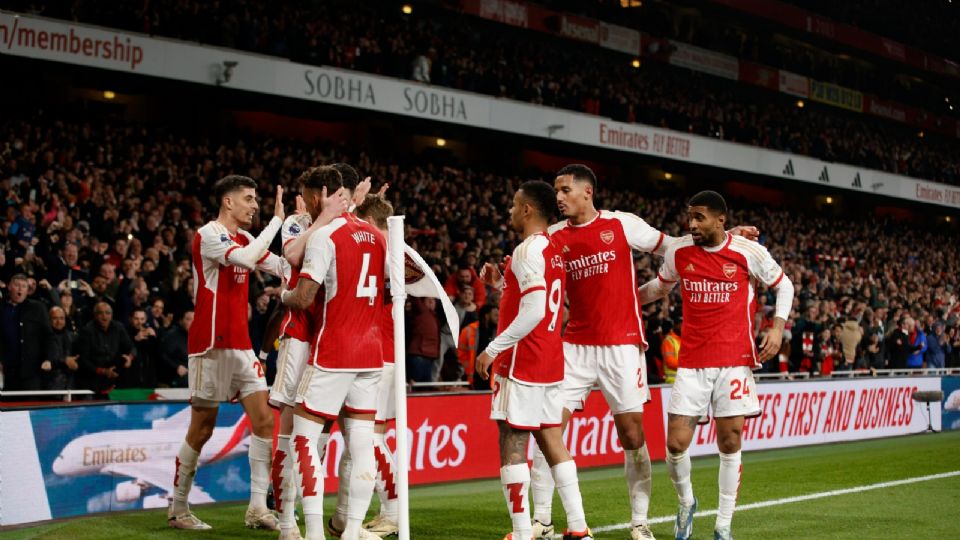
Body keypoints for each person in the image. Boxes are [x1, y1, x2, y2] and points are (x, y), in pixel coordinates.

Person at [533, 165, 758, 540]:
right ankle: (542, 519)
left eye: (565, 189)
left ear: (587, 192)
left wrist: (725, 236)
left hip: (622, 346)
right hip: (574, 346)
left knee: (633, 436)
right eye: (556, 191)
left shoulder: (622, 224)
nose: (558, 197)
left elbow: (677, 245)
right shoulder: (553, 237)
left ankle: (639, 522)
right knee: (547, 428)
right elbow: (526, 264)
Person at [638, 190, 794, 540]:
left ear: (720, 220)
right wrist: (629, 299)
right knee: (676, 444)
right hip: (692, 363)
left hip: (733, 361)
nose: (691, 224)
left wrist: (778, 326)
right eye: (689, 216)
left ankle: (723, 525)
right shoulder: (680, 252)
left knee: (730, 440)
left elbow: (785, 286)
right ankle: (686, 503)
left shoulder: (747, 252)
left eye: (699, 217)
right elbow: (660, 287)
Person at [168, 175, 290, 531]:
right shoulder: (209, 235)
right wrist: (277, 223)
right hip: (209, 345)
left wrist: (307, 234)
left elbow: (279, 265)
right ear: (228, 202)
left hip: (241, 346)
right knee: (202, 428)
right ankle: (177, 509)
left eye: (256, 200)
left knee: (265, 420)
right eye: (249, 199)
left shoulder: (246, 237)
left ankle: (256, 508)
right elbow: (249, 259)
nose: (255, 205)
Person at [475, 180, 592, 540]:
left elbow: (535, 308)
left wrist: (493, 348)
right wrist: (502, 286)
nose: (510, 211)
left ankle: (522, 532)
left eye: (514, 205)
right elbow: (556, 307)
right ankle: (578, 527)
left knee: (512, 442)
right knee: (552, 441)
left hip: (522, 363)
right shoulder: (554, 250)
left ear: (527, 210)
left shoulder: (527, 250)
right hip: (550, 362)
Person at [281, 165, 385, 540]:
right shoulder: (376, 235)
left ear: (320, 193)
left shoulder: (325, 235)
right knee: (362, 444)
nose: (308, 204)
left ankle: (312, 534)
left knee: (304, 439)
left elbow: (305, 296)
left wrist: (281, 296)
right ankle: (353, 530)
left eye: (309, 196)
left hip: (334, 352)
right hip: (371, 355)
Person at [268, 165, 352, 540]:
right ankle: (286, 522)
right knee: (288, 428)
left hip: (331, 339)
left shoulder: (343, 227)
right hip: (299, 334)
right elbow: (293, 254)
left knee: (318, 428)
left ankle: (309, 510)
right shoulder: (298, 222)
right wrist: (323, 218)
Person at [0, 274, 54, 392]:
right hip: (7, 371)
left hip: (31, 372)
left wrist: (48, 359)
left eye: (24, 286)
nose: (20, 289)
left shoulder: (38, 308)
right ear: (9, 287)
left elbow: (48, 335)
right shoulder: (2, 308)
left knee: (30, 405)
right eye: (17, 285)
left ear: (27, 290)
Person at [75, 302, 135, 398]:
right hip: (92, 382)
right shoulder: (87, 331)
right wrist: (103, 371)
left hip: (114, 379)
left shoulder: (118, 327)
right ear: (95, 315)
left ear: (112, 315)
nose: (104, 316)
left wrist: (130, 358)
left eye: (108, 313)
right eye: (100, 313)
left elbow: (131, 347)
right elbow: (83, 360)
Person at [45, 306, 79, 392]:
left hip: (71, 385)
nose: (59, 321)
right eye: (55, 318)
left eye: (61, 318)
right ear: (49, 320)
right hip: (51, 385)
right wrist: (64, 361)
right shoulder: (43, 337)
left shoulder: (73, 337)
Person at [160, 311, 192, 387]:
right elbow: (162, 355)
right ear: (181, 321)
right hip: (177, 378)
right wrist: (176, 367)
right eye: (188, 319)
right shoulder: (172, 336)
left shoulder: (200, 336)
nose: (192, 322)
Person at [661, 319, 681, 384]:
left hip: (682, 380)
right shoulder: (668, 341)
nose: (682, 327)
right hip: (672, 382)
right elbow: (670, 362)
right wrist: (687, 364)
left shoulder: (684, 340)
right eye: (680, 325)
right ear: (675, 325)